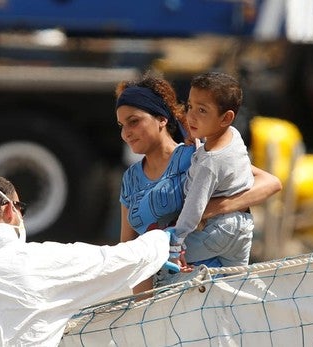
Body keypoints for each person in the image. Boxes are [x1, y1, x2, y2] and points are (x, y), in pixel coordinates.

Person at [0, 175, 171, 347]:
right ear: (9, 210)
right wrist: (163, 238)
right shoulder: (34, 262)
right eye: (22, 209)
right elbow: (117, 260)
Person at [116, 71, 282, 294]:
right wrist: (143, 307)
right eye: (121, 125)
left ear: (161, 119)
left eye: (134, 122)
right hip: (163, 299)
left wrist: (211, 209)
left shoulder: (196, 156)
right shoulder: (130, 180)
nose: (126, 133)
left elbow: (270, 183)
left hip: (208, 287)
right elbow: (131, 252)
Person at [166, 71, 255, 270]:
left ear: (226, 118)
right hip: (243, 226)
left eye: (202, 111)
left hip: (219, 230)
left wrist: (176, 244)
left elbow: (193, 208)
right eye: (190, 106)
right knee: (237, 282)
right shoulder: (233, 135)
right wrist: (199, 146)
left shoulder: (209, 163)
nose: (191, 116)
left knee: (161, 264)